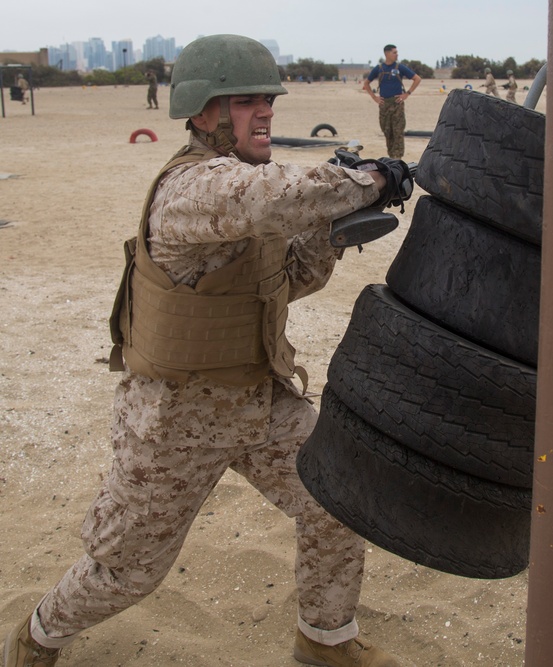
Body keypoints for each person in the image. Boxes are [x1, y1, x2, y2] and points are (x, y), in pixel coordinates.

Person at [2, 34, 411, 667]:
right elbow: (274, 196)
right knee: (126, 572)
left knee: (338, 501)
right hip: (176, 421)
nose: (265, 112)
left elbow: (289, 280)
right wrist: (371, 178)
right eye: (245, 102)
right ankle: (37, 635)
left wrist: (331, 238)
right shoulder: (195, 188)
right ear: (202, 113)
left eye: (267, 99)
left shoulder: (244, 185)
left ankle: (325, 639)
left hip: (259, 400)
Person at [363, 44, 421, 159]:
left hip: (397, 103)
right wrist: (375, 97)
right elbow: (366, 83)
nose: (396, 55)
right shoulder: (379, 69)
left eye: (396, 52)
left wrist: (407, 94)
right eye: (394, 52)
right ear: (387, 54)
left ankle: (397, 158)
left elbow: (417, 79)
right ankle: (391, 156)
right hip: (384, 104)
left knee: (398, 131)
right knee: (387, 131)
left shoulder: (400, 67)